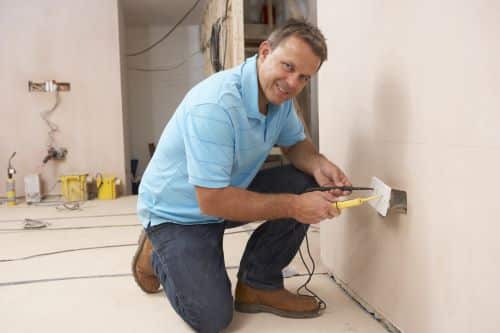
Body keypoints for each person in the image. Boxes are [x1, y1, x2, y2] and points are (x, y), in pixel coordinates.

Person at [132, 19, 352, 332]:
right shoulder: (215, 105)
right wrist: (294, 207)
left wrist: (317, 163)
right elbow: (212, 201)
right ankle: (155, 250)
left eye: (304, 77)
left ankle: (258, 284)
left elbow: (296, 144)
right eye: (287, 67)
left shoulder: (280, 100)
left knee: (305, 182)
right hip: (181, 213)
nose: (292, 83)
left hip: (227, 194)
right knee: (211, 318)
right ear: (265, 52)